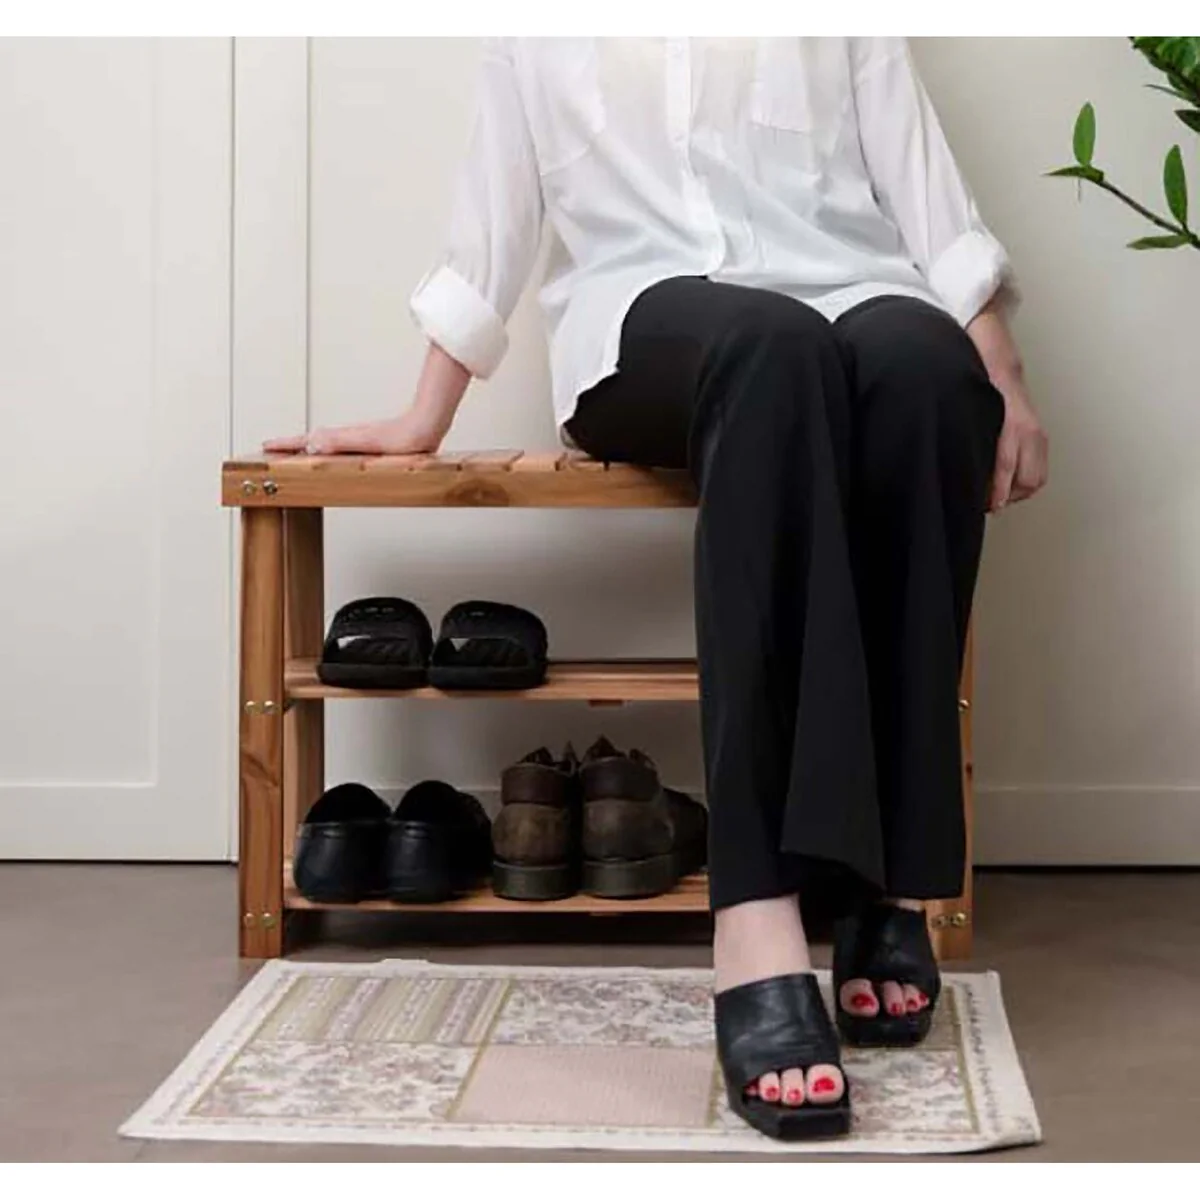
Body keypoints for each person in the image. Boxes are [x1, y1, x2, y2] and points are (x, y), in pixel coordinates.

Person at [267, 37, 1048, 1140]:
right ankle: (758, 913)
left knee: (929, 378)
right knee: (774, 351)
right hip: (645, 318)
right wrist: (423, 415)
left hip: (853, 287)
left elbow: (921, 179)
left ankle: (888, 885)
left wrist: (1000, 374)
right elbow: (494, 219)